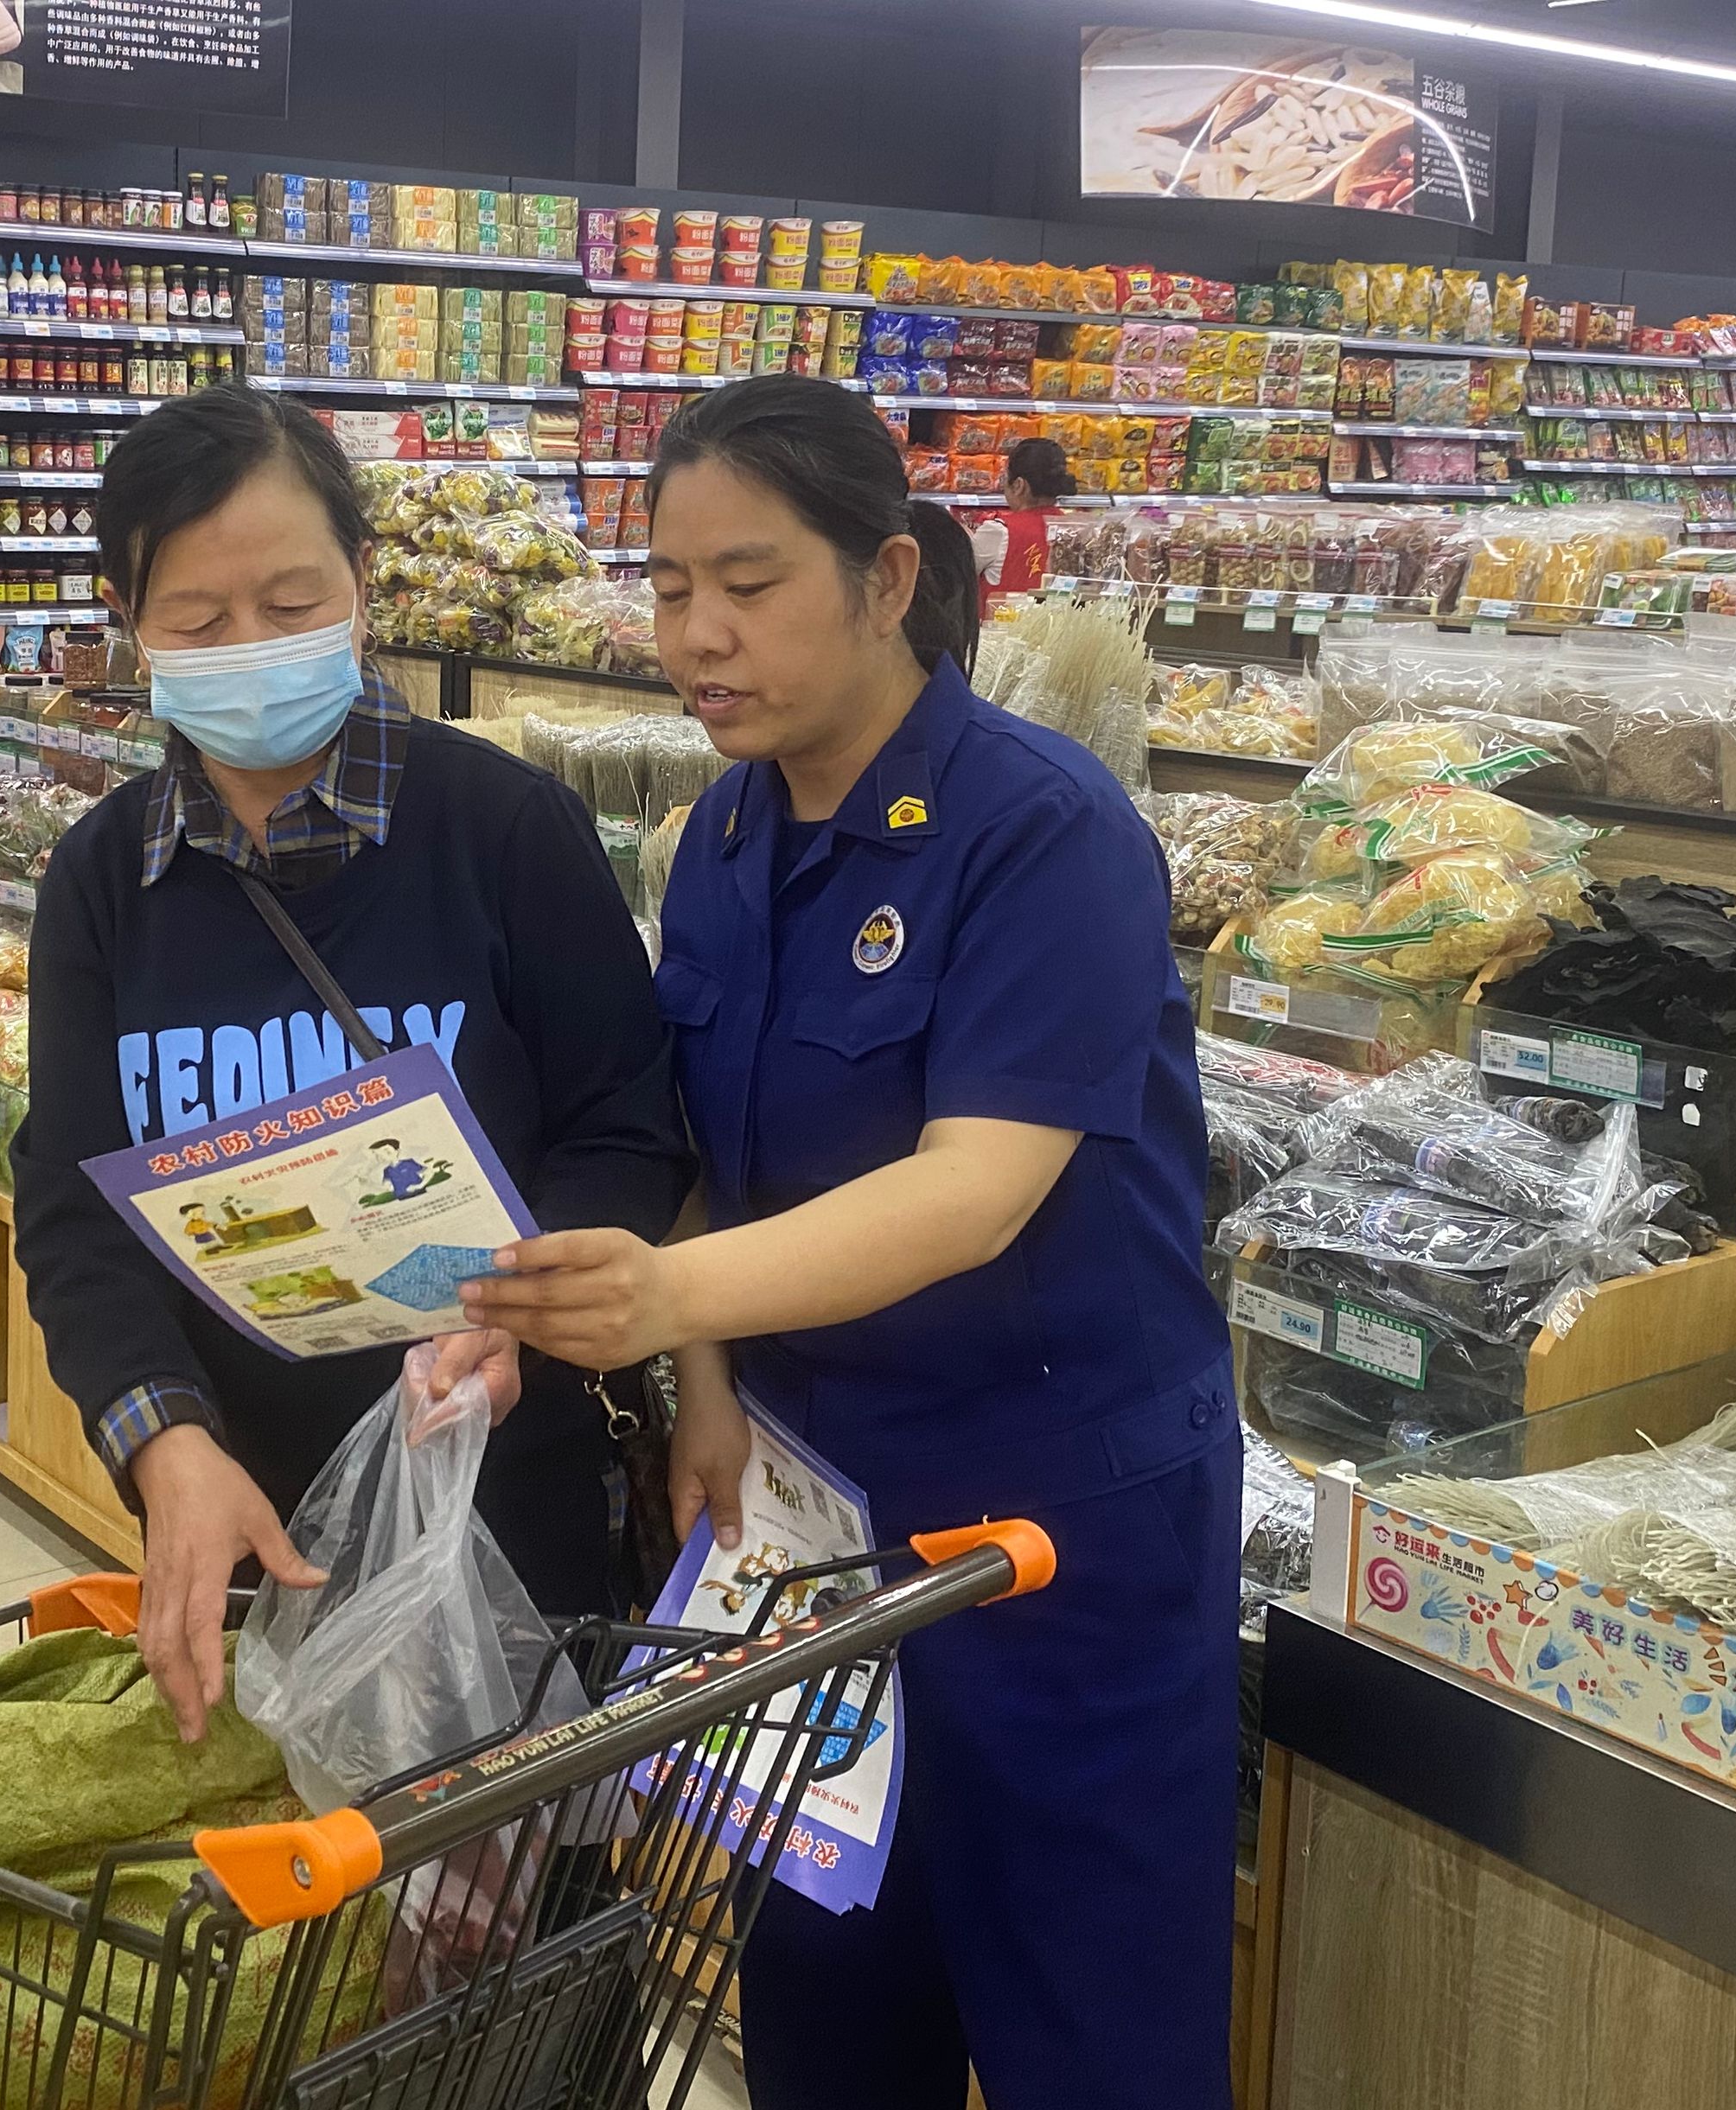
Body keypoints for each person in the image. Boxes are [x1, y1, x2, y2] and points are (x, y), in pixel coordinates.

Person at [461, 374, 1239, 2110]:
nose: (699, 635)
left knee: (1092, 2028)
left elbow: (976, 1188)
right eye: (671, 587)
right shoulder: (724, 835)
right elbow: (714, 1154)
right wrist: (707, 1380)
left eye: (749, 583)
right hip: (812, 1527)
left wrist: (665, 1296)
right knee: (827, 2004)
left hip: (1057, 1531)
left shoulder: (1045, 830)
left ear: (887, 579)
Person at [8, 384, 697, 1738]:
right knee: (281, 1864)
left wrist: (519, 1312)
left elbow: (626, 1126)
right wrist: (166, 1444)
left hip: (504, 1499)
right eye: (198, 620)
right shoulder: (101, 883)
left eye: (291, 601)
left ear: (362, 585)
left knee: (512, 1865)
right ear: (126, 619)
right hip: (244, 1513)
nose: (250, 647)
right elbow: (75, 1208)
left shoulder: (503, 831)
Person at [966, 436, 1074, 610]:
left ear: (1018, 485)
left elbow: (958, 575)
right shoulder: (1073, 530)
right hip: (1057, 624)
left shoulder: (998, 531)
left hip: (1001, 625)